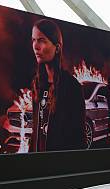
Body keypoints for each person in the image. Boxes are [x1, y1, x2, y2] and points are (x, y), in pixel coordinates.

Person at [31, 19, 85, 152]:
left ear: (57, 48)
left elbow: (78, 140)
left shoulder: (72, 87)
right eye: (33, 40)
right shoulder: (37, 83)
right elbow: (36, 131)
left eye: (42, 40)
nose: (35, 46)